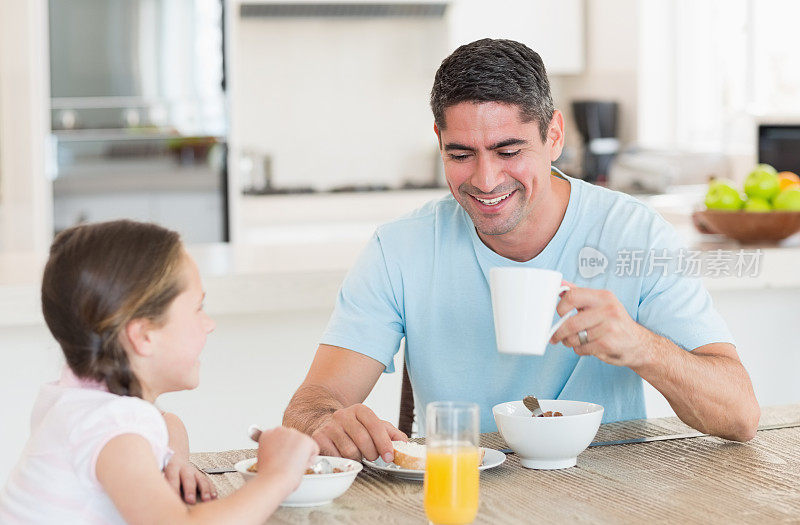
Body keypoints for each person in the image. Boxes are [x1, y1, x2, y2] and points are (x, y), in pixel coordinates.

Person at [283, 38, 761, 462]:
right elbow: (311, 404)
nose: (485, 181)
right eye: (460, 154)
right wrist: (328, 422)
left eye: (508, 151)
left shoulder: (633, 232)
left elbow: (740, 416)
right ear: (439, 143)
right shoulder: (400, 248)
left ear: (553, 135)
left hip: (613, 493)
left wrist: (642, 346)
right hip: (464, 492)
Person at [0, 220, 319, 524]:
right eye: (198, 308)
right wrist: (279, 476)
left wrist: (174, 461)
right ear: (143, 336)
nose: (210, 324)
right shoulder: (114, 427)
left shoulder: (78, 398)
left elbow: (166, 423)